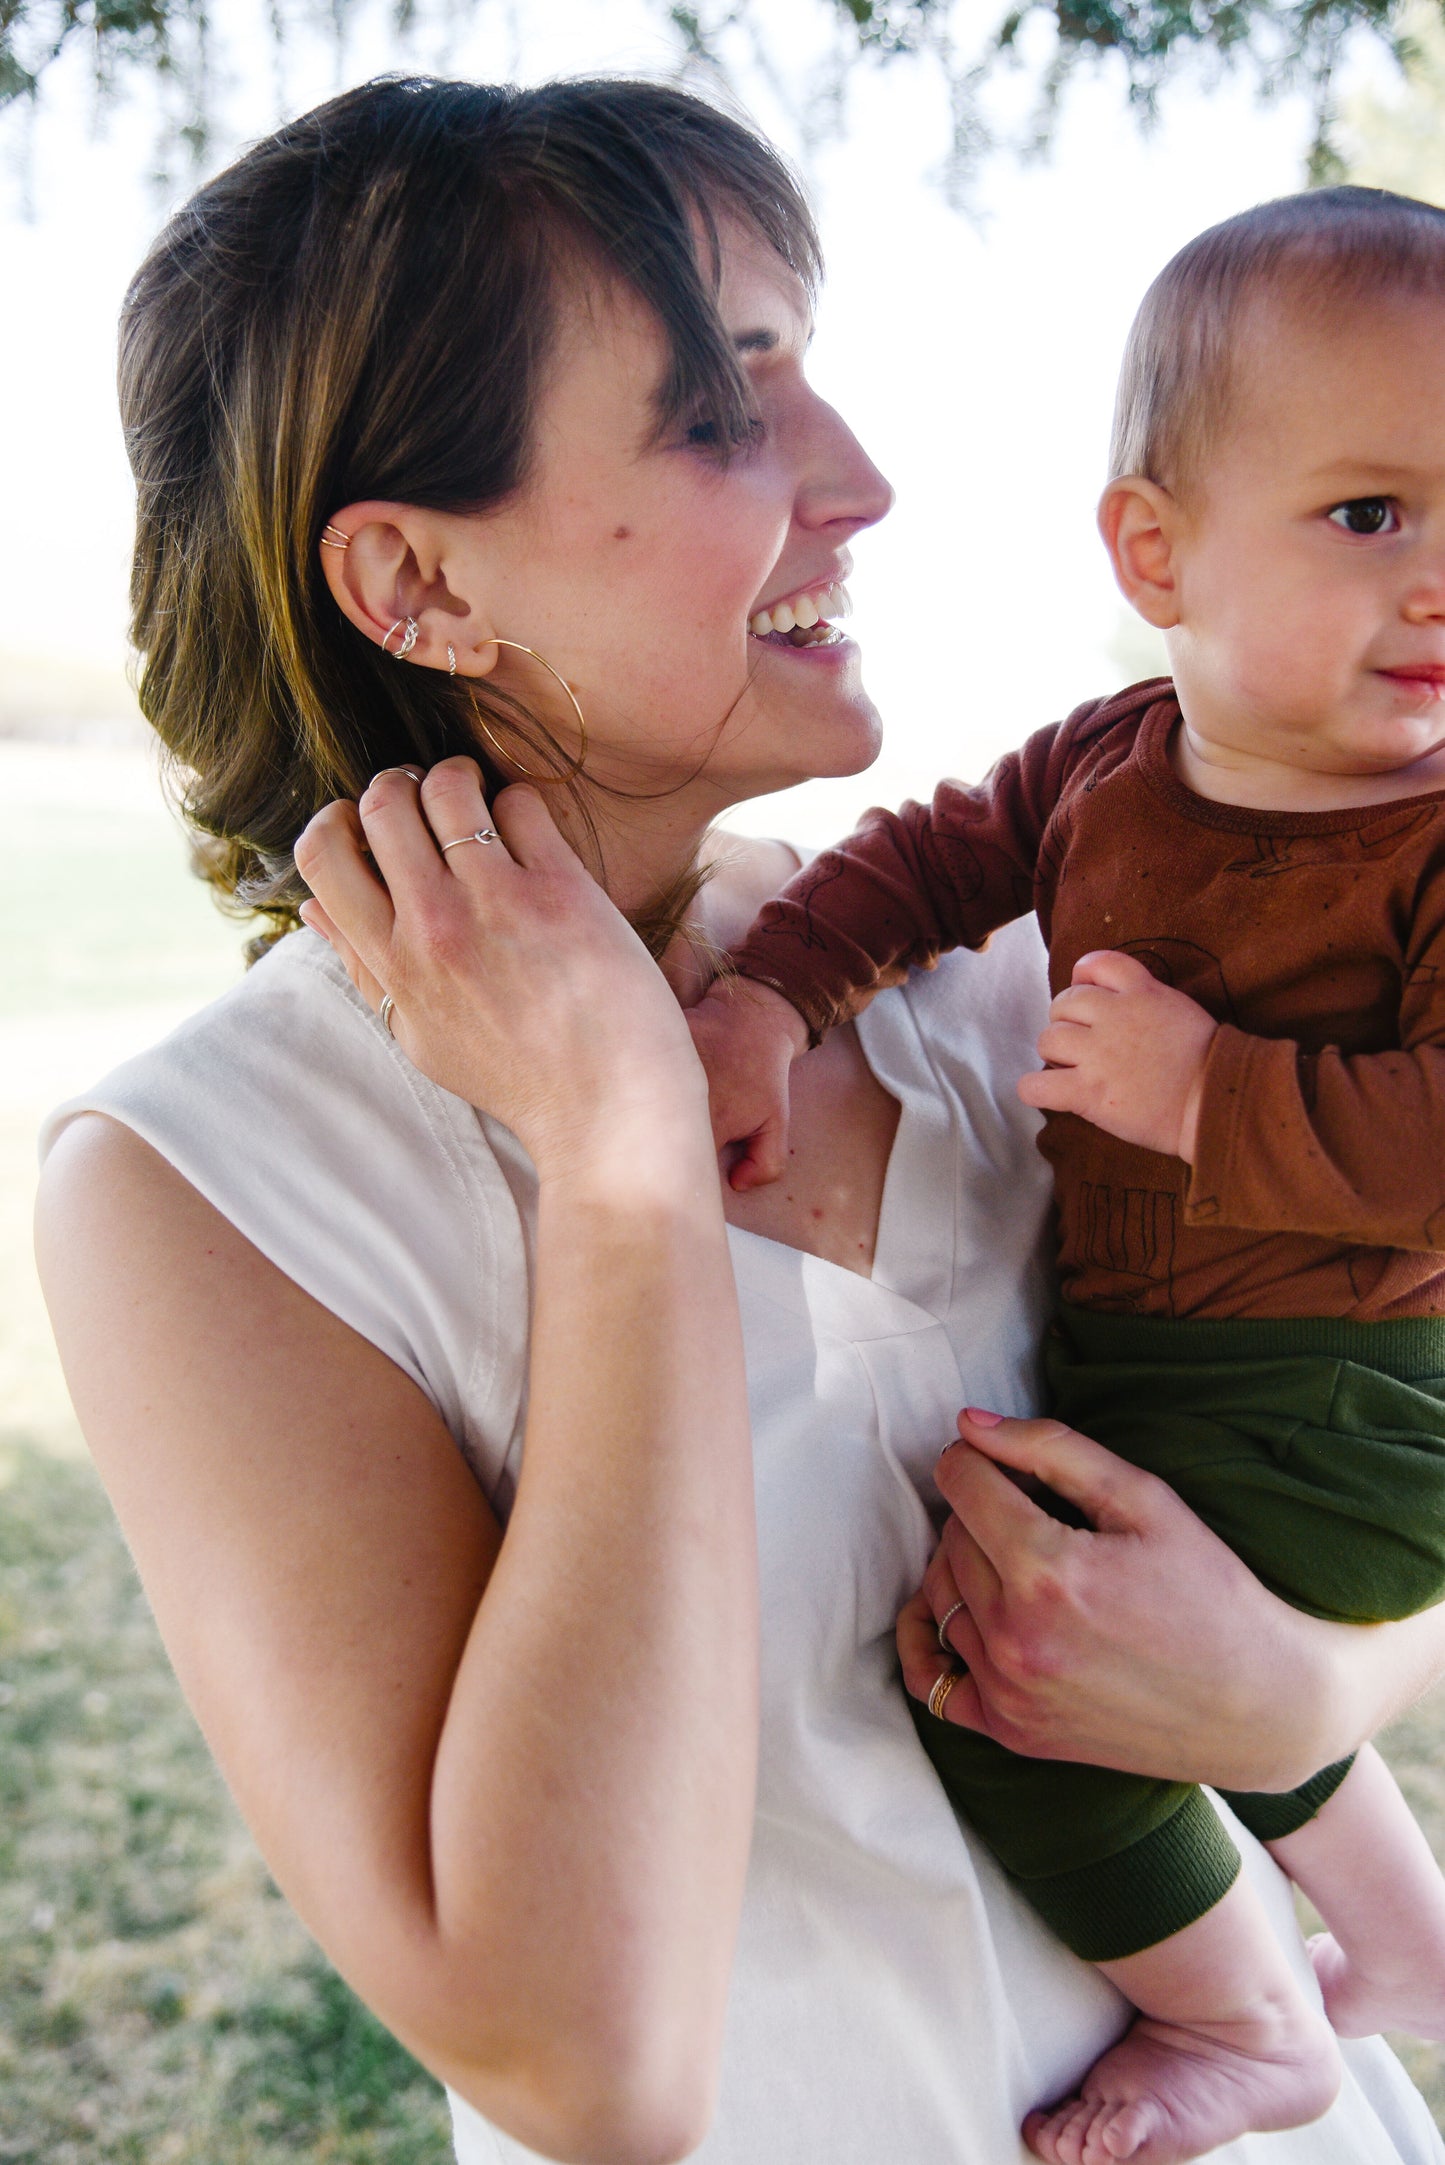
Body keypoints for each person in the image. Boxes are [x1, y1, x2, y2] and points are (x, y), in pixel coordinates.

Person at [31, 80, 1445, 2165]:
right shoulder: (205, 1189)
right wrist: (617, 1175)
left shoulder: (1001, 968)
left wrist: (1309, 1698)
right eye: (722, 410)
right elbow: (586, 2066)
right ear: (416, 580)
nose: (861, 480)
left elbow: (1359, 1422)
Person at [686, 187, 1445, 2164]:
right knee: (1156, 1634)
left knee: (1019, 1685)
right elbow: (923, 863)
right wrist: (771, 995)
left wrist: (1213, 1093)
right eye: (1374, 515)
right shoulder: (1111, 765)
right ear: (1155, 548)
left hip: (1356, 1401)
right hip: (1170, 1370)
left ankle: (1247, 2021)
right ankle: (1407, 1931)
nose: (1443, 579)